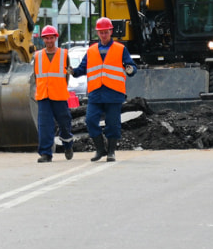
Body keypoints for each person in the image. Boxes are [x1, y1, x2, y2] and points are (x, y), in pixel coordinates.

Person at [72, 17, 136, 162]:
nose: (104, 35)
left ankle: (111, 151)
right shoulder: (91, 50)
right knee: (90, 121)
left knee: (113, 124)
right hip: (96, 92)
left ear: (111, 31)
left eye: (106, 32)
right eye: (101, 33)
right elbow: (82, 69)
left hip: (114, 92)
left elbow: (131, 66)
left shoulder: (120, 49)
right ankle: (100, 149)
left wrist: (131, 69)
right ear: (98, 33)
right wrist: (73, 72)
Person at [33, 25, 74, 163]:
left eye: (51, 38)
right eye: (46, 38)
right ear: (43, 39)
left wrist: (61, 87)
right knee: (44, 125)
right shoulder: (38, 56)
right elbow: (36, 76)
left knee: (64, 123)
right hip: (44, 95)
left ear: (56, 38)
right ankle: (45, 153)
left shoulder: (64, 54)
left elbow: (67, 75)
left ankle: (68, 145)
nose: (49, 40)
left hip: (59, 95)